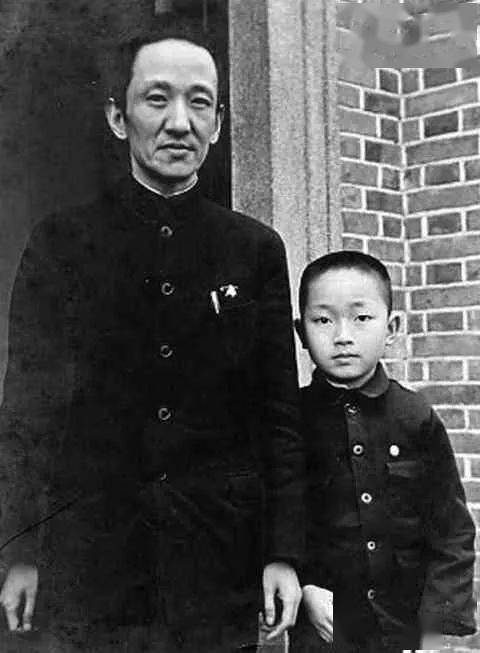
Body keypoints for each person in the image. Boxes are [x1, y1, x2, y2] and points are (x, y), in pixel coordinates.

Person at [0, 26, 304, 652]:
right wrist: (21, 550)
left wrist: (283, 553)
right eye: (157, 99)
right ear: (119, 116)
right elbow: (28, 412)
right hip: (94, 567)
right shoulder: (61, 244)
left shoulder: (254, 250)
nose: (179, 122)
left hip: (217, 565)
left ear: (219, 123)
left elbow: (278, 415)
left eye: (200, 103)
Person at [292, 251, 476, 653]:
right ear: (300, 332)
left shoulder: (415, 417)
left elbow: (452, 531)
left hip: (404, 627)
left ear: (391, 328)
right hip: (323, 626)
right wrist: (302, 585)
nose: (343, 336)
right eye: (323, 320)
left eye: (361, 318)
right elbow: (272, 518)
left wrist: (436, 630)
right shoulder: (291, 420)